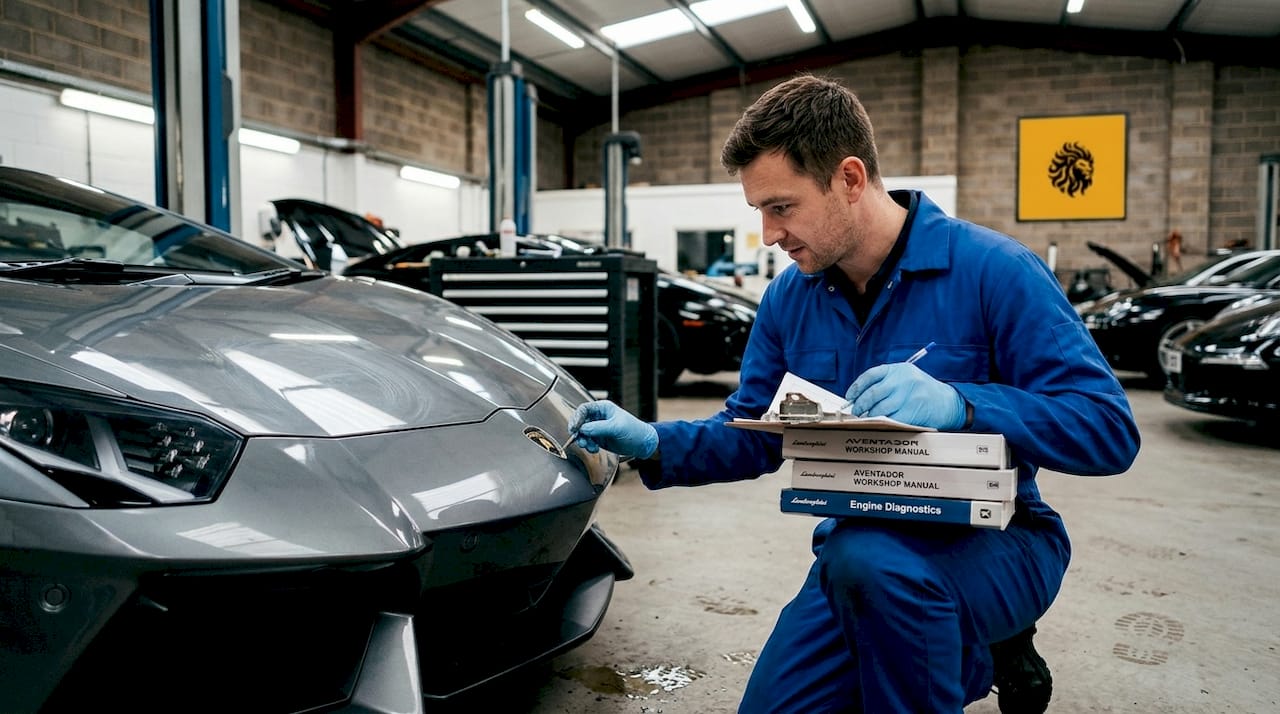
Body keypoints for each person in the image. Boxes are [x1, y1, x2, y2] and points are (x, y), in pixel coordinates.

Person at [569, 74, 1140, 713]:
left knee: (890, 608)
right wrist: (653, 441)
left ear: (848, 178)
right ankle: (967, 650)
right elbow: (756, 432)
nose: (769, 234)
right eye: (759, 212)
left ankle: (983, 645)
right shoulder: (790, 299)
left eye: (782, 207)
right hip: (856, 553)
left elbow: (1107, 430)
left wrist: (964, 404)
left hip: (998, 539)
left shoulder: (995, 272)